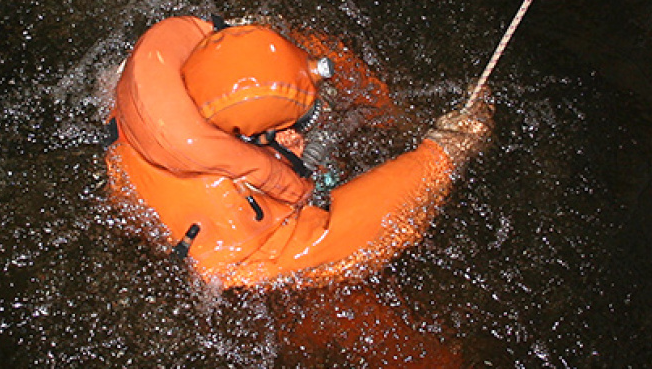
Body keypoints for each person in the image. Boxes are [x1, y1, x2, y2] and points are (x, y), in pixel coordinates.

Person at [105, 16, 493, 289]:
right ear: (247, 142)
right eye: (288, 126)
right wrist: (445, 152)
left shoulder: (161, 69)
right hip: (228, 265)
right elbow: (348, 237)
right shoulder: (237, 237)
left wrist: (385, 106)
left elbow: (257, 57)